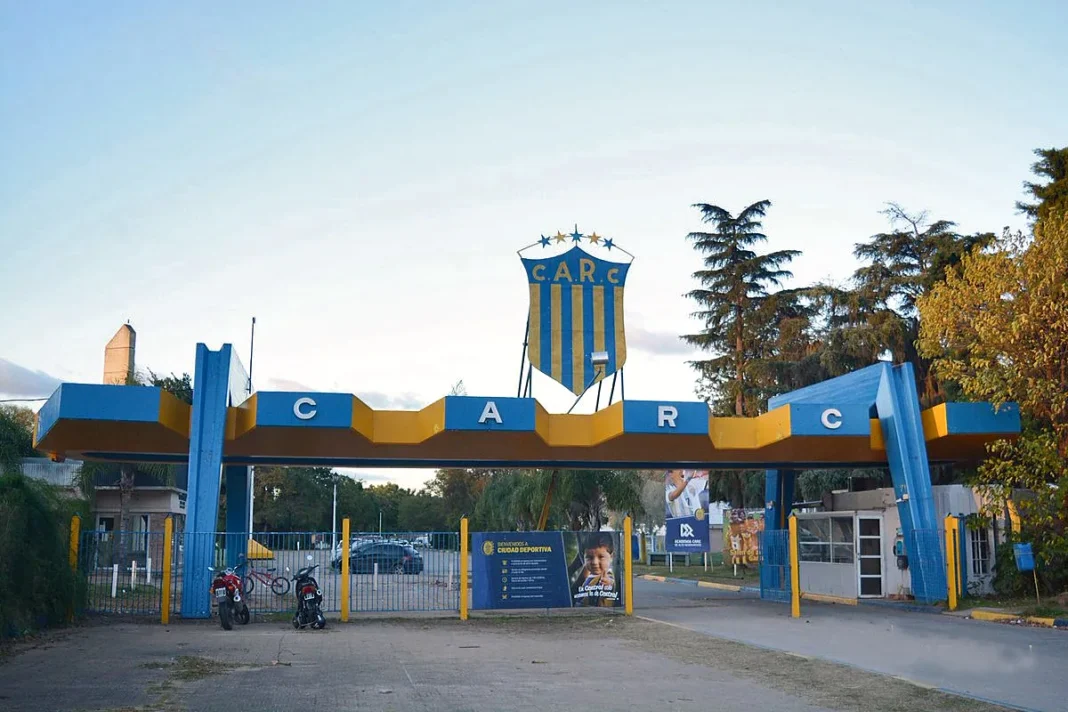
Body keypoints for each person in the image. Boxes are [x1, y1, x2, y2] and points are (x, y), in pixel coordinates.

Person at [573, 533, 618, 607]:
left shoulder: (607, 576)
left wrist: (608, 584)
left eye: (601, 557)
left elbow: (610, 583)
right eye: (589, 557)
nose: (594, 562)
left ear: (611, 557)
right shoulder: (590, 576)